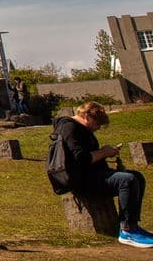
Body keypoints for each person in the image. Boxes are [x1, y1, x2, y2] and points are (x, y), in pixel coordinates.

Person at [53, 101, 150, 248]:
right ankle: (127, 231)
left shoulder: (81, 129)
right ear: (87, 116)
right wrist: (104, 152)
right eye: (97, 123)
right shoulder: (69, 127)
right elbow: (80, 159)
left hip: (92, 174)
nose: (98, 128)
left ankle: (133, 225)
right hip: (80, 179)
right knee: (127, 180)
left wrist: (106, 153)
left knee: (137, 177)